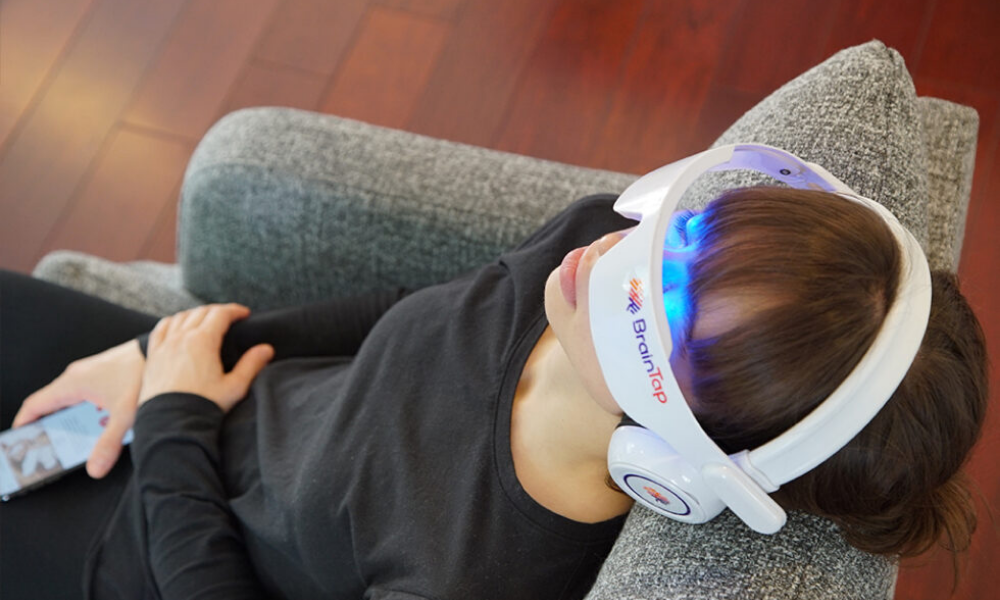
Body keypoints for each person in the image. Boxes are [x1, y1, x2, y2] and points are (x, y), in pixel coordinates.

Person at [0, 186, 988, 600]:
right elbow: (401, 313)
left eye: (658, 303)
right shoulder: (583, 254)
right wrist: (169, 350)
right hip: (204, 386)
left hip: (140, 547)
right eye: (681, 232)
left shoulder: (484, 574)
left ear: (679, 447)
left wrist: (176, 419)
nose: (615, 254)